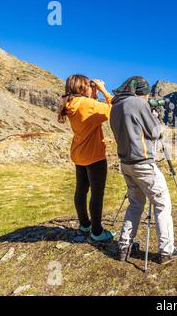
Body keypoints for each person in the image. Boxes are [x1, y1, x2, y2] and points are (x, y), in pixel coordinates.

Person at [109, 76, 177, 264]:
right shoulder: (137, 103)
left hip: (126, 163)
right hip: (143, 163)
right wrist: (153, 117)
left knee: (135, 204)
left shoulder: (115, 106)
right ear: (140, 92)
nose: (147, 97)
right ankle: (166, 251)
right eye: (146, 94)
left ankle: (123, 246)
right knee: (162, 204)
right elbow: (155, 132)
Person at [57, 75, 116, 242]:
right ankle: (97, 232)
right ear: (83, 88)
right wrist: (104, 89)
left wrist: (93, 94)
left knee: (81, 190)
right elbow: (114, 110)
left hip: (79, 154)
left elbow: (88, 112)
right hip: (94, 155)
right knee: (97, 193)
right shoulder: (88, 104)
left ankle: (84, 225)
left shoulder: (70, 103)